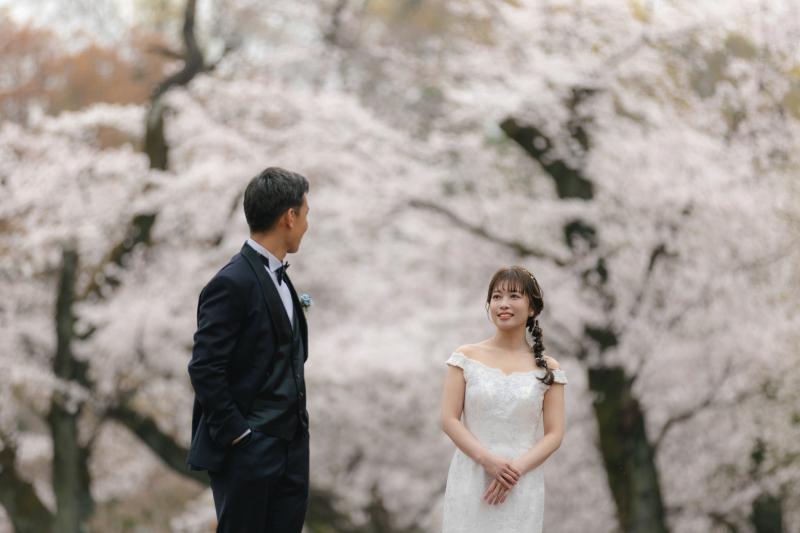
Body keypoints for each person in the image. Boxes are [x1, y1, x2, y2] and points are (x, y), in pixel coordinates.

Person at [186, 167, 311, 533]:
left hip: (291, 448)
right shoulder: (231, 282)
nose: (307, 225)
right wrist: (239, 436)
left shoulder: (284, 280)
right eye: (306, 214)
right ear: (290, 216)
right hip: (249, 450)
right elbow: (205, 367)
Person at [440, 266, 567, 533]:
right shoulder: (466, 357)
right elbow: (449, 419)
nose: (503, 304)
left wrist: (514, 471)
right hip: (472, 475)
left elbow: (554, 434)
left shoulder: (548, 368)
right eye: (496, 297)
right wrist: (486, 460)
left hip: (520, 481)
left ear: (532, 308)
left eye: (514, 296)